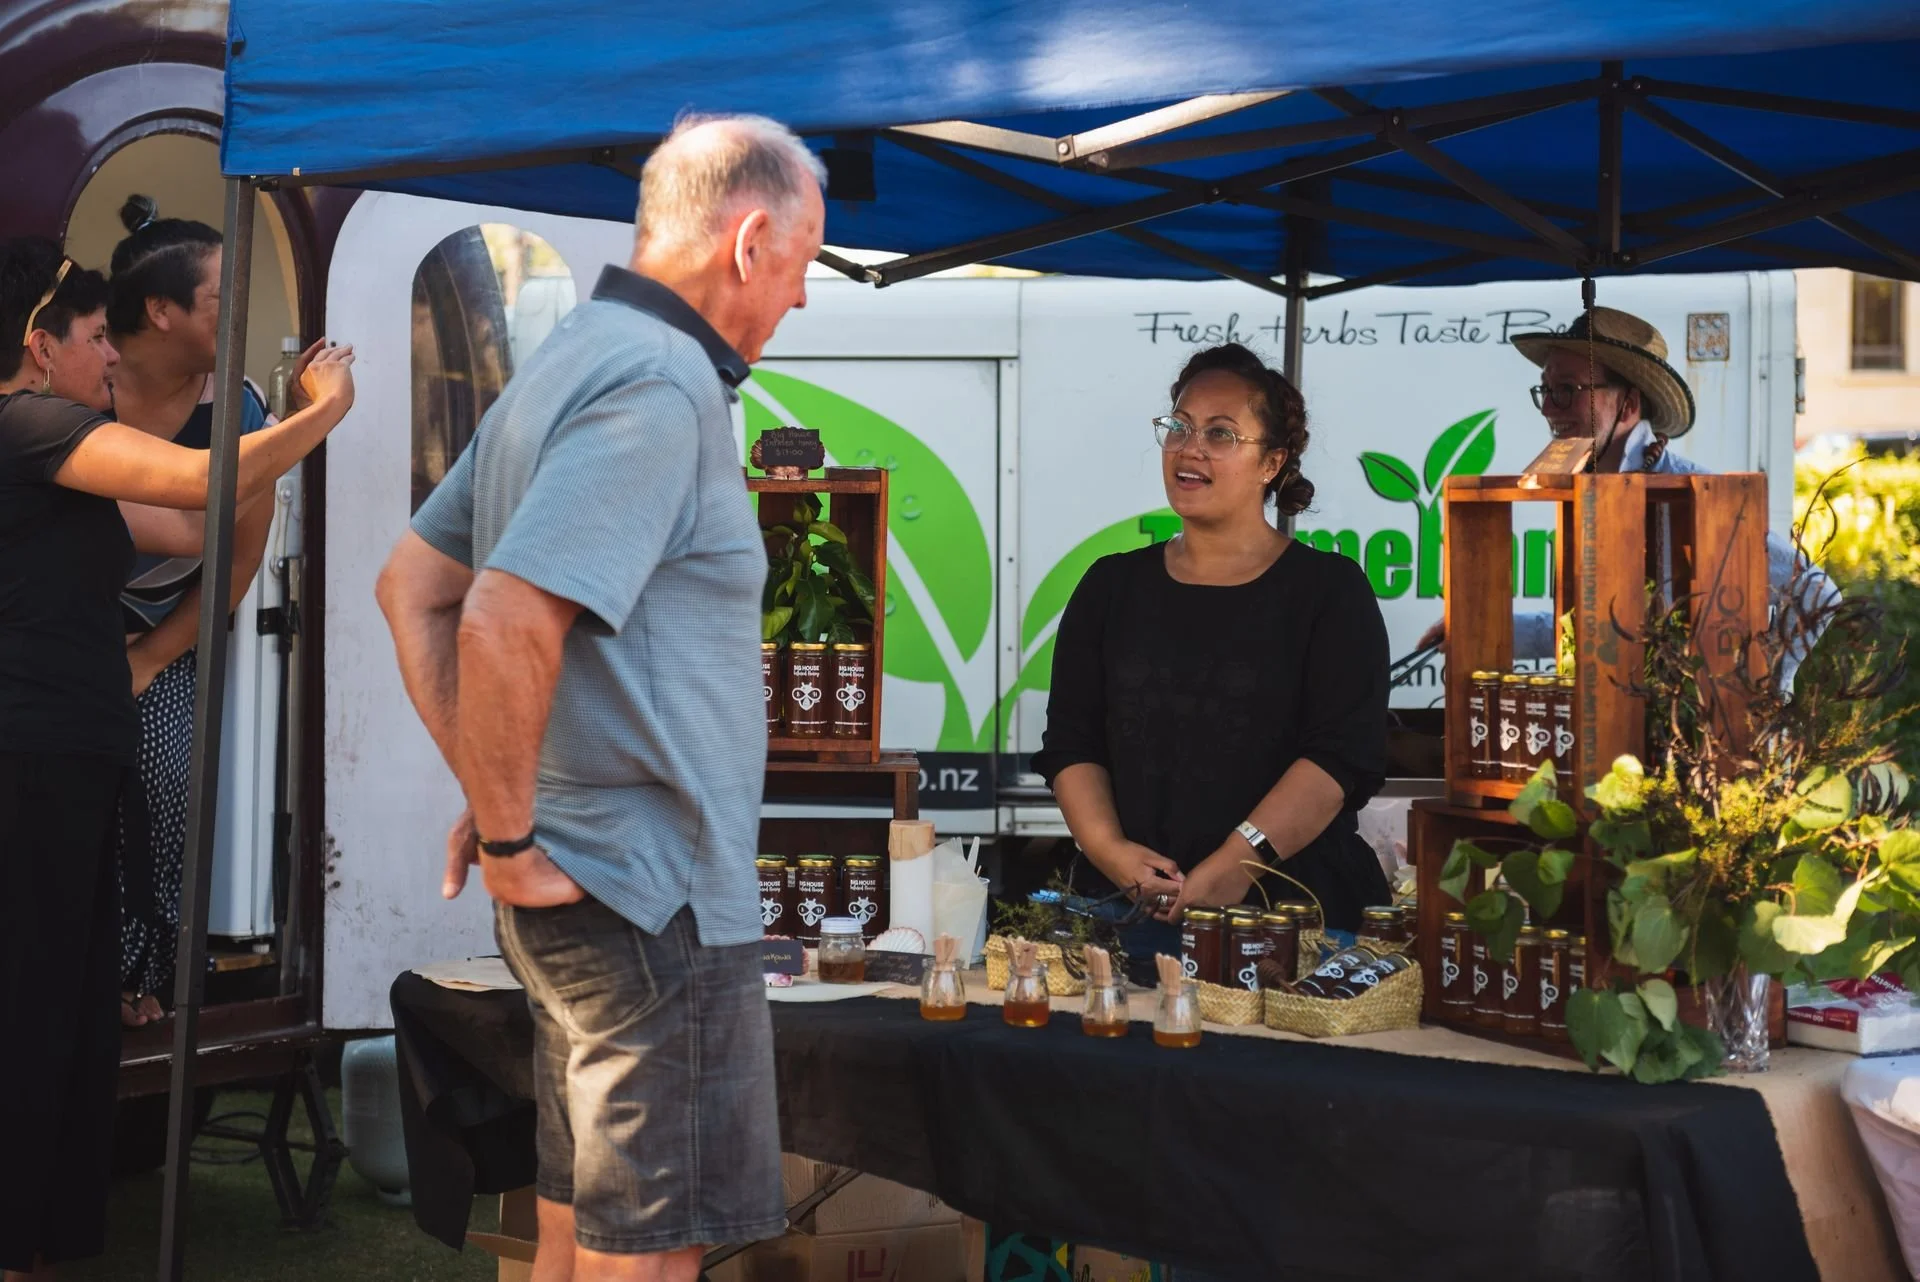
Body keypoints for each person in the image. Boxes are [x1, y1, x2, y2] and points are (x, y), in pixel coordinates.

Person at [376, 114, 825, 1282]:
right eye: (803, 263)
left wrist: (507, 800)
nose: (801, 296)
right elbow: (496, 614)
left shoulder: (576, 351)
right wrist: (507, 831)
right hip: (649, 898)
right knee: (649, 1254)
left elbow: (411, 588)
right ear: (750, 241)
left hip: (599, 887)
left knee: (576, 1230)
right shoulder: (662, 381)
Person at [0, 236, 352, 1282]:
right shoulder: (30, 425)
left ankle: (38, 1243)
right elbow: (202, 478)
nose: (109, 355)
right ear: (40, 346)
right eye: (93, 336)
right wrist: (320, 413)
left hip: (70, 758)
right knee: (32, 1011)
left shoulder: (59, 453)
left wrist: (260, 467)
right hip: (29, 762)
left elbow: (192, 521)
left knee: (69, 1015)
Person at [1033, 342, 1394, 961]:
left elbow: (1338, 759)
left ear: (1271, 463)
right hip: (1126, 911)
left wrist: (1238, 861)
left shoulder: (1329, 592)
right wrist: (1110, 851)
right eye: (1179, 426)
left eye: (1221, 434)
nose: (1190, 448)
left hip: (1292, 915)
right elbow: (1072, 742)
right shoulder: (1111, 586)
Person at [105, 195, 318, 1027]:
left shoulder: (238, 409)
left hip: (165, 637)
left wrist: (151, 657)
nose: (238, 313)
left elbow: (234, 564)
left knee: (164, 789)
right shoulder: (79, 387)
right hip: (53, 632)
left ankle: (142, 980)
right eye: (221, 297)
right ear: (161, 312)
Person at [1416, 306, 1836, 686]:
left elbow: (1817, 594)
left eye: (1567, 389)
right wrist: (1474, 626)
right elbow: (1586, 629)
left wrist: (1763, 686)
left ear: (1629, 404)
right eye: (1545, 390)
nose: (1548, 408)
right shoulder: (1587, 490)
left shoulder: (1697, 494)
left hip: (1684, 737)